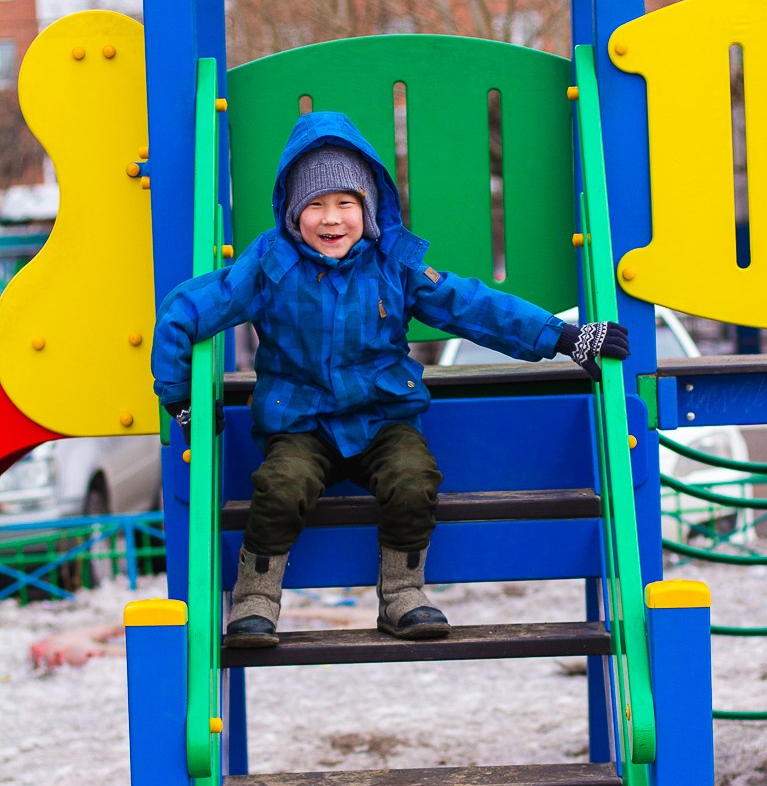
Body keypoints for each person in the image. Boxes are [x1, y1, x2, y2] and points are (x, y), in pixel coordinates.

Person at [152, 111, 628, 648]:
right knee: (281, 486)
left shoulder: (394, 264)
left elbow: (472, 305)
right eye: (315, 205)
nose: (331, 219)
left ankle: (403, 593)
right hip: (300, 421)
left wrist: (562, 337)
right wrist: (181, 396)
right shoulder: (269, 267)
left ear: (369, 206)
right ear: (292, 211)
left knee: (413, 478)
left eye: (345, 203)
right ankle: (255, 598)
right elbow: (183, 312)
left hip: (382, 418)